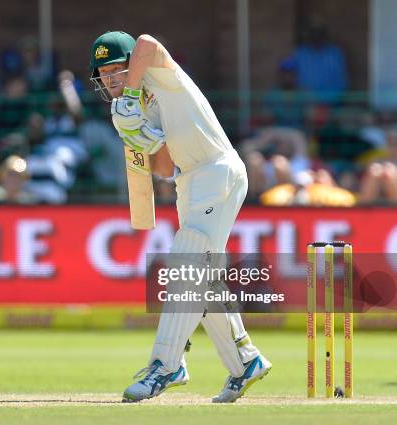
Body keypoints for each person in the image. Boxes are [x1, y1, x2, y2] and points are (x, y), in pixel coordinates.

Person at [89, 31, 271, 403]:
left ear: (130, 65)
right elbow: (161, 165)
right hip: (188, 182)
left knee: (185, 261)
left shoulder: (156, 69)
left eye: (116, 70)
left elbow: (147, 42)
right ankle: (244, 361)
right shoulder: (123, 109)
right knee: (199, 277)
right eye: (103, 74)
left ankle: (166, 364)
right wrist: (140, 135)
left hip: (217, 169)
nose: (111, 80)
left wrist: (133, 95)